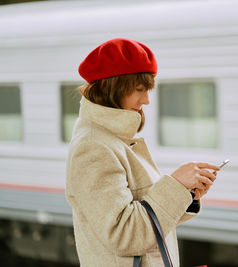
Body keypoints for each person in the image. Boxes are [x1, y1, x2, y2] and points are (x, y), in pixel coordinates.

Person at [65, 38, 220, 267]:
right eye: (139, 89)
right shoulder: (93, 147)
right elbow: (125, 234)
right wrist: (175, 184)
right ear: (112, 87)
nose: (146, 100)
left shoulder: (114, 139)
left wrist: (187, 195)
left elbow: (146, 218)